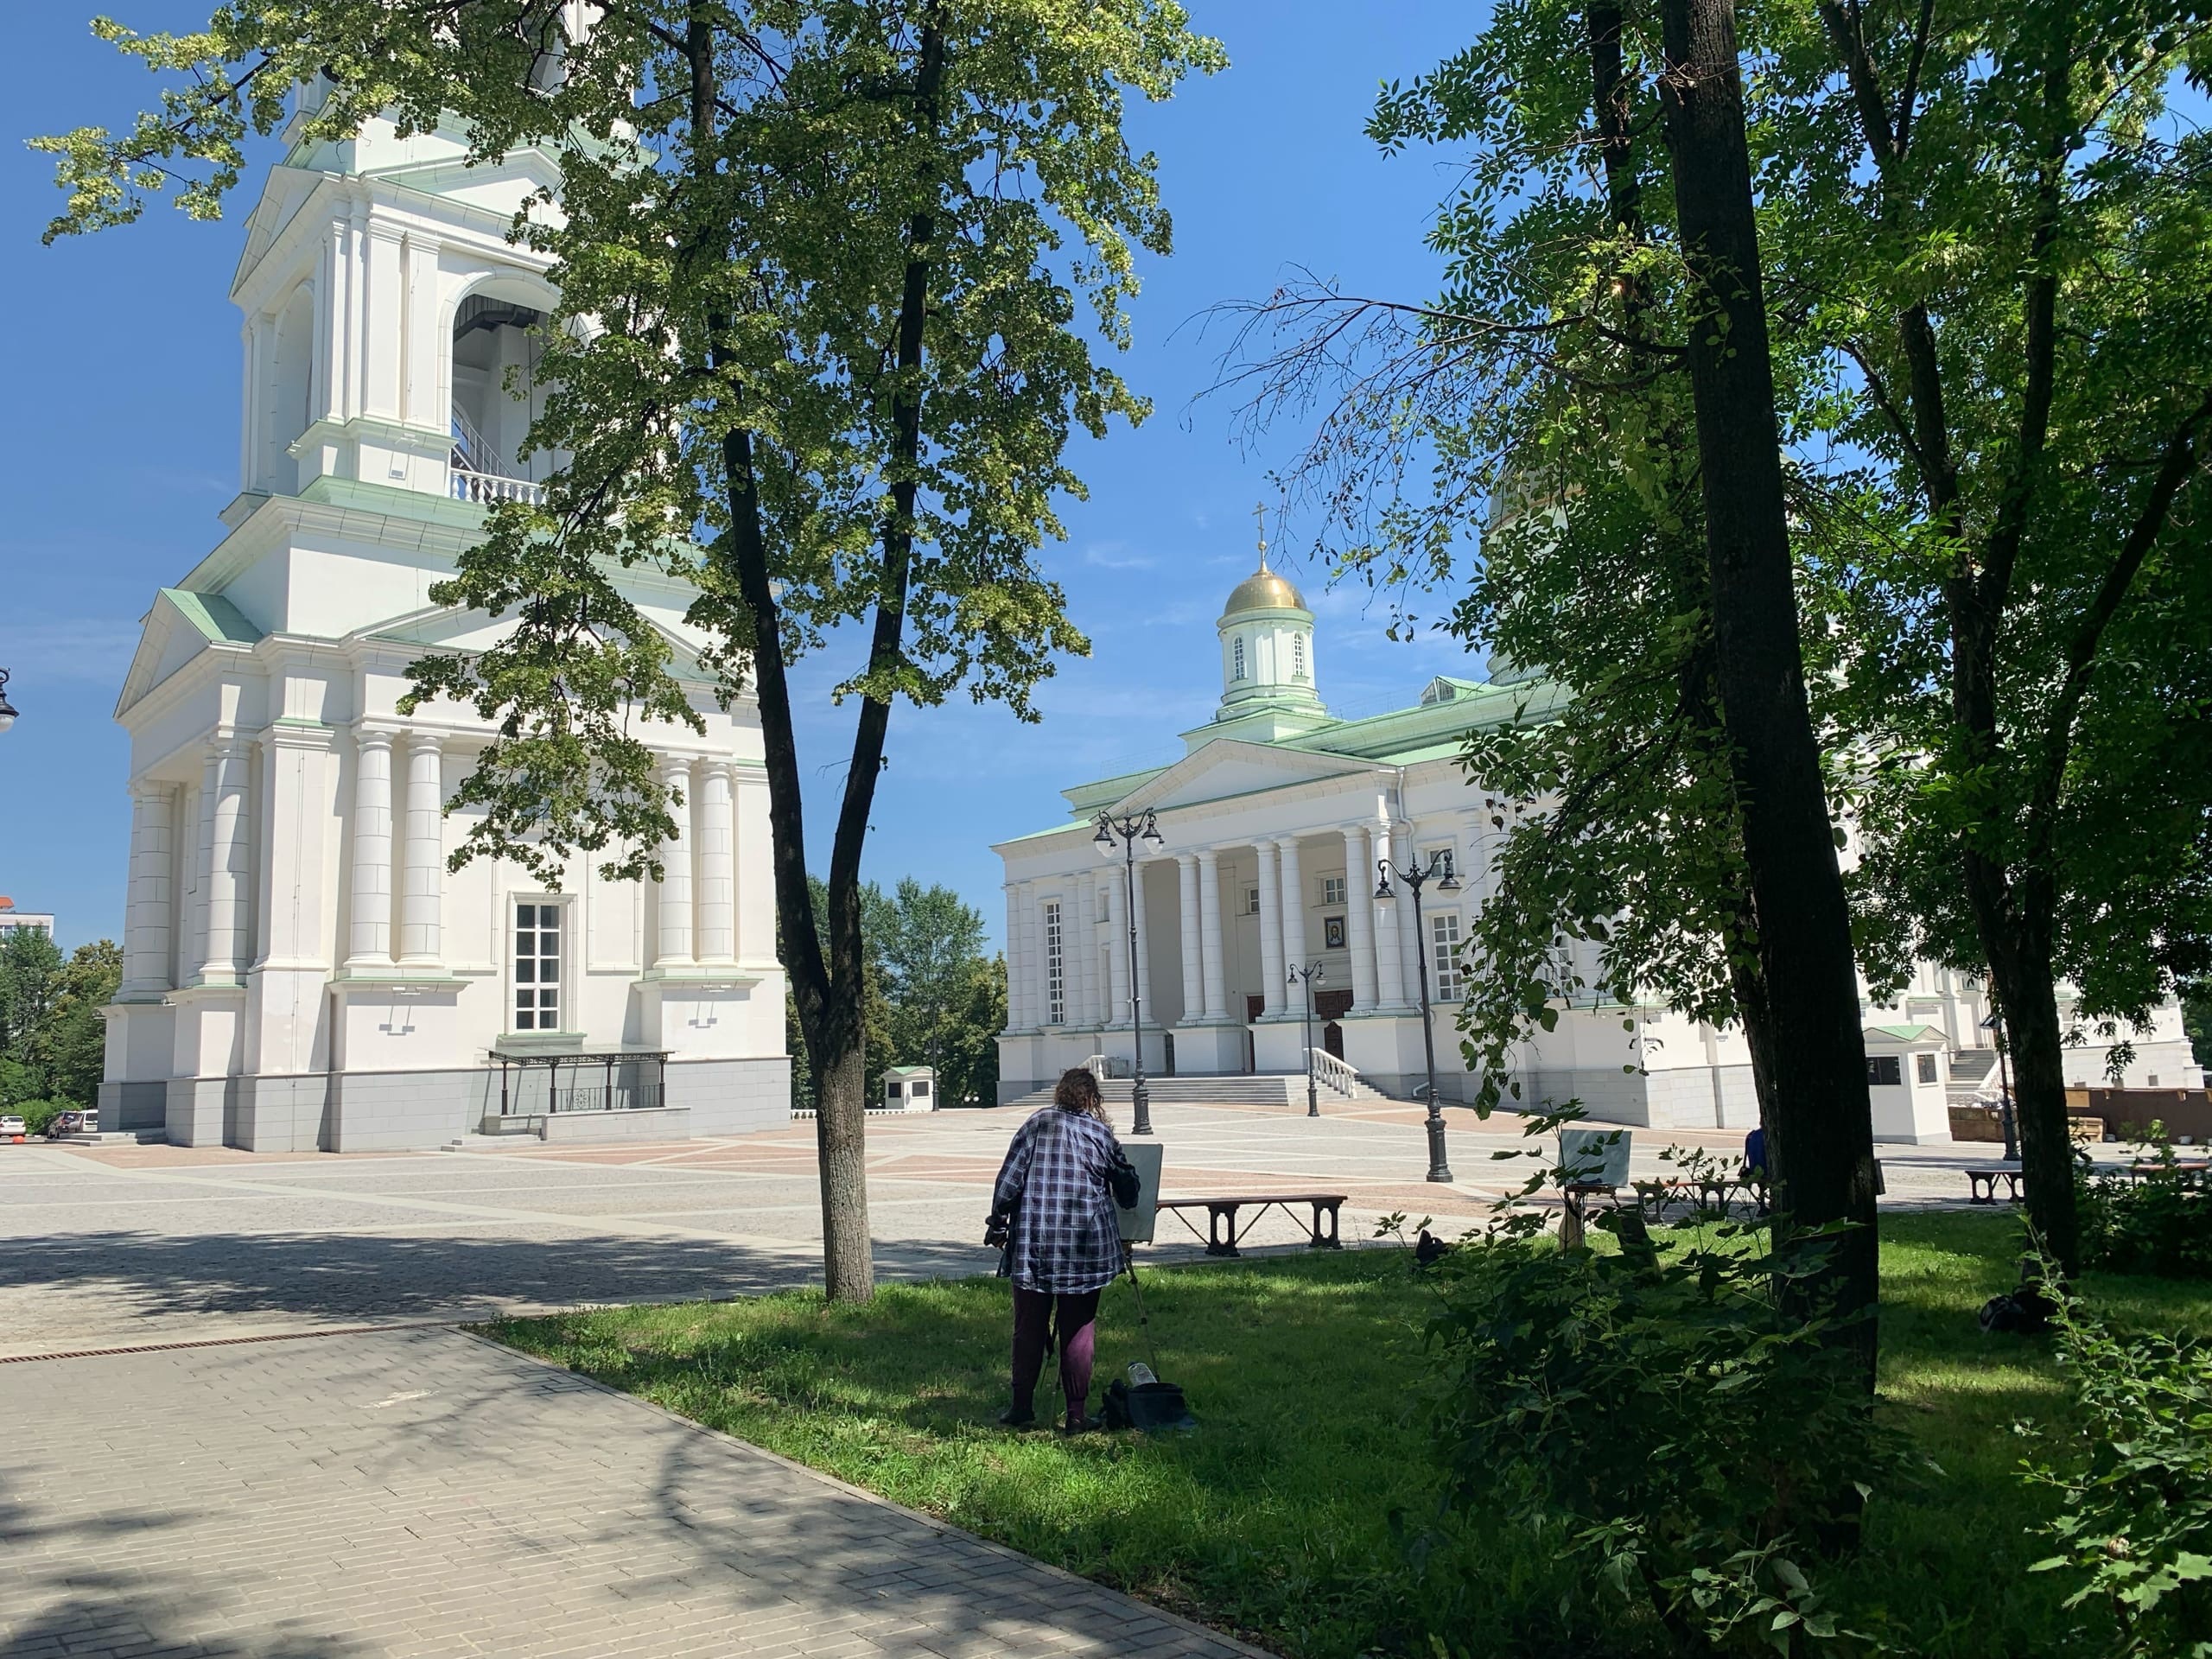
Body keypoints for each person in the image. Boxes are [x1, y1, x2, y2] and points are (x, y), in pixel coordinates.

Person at [987, 1066, 1129, 1433]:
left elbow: (1009, 1181)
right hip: (1086, 1249)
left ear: (1060, 1093)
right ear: (1092, 1099)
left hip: (1035, 1245)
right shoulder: (1101, 1133)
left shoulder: (1037, 1123)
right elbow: (1128, 1189)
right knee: (1078, 1330)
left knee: (1028, 1328)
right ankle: (1076, 1414)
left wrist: (997, 1221)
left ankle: (1021, 1406)